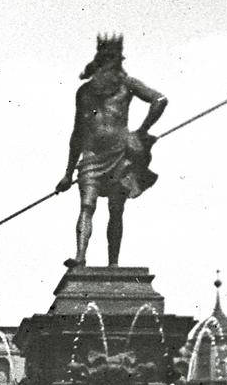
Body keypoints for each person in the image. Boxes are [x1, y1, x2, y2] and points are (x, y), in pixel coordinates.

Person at [55, 33, 166, 269]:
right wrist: (67, 173)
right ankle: (80, 257)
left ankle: (113, 265)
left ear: (118, 62)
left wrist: (140, 131)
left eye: (113, 60)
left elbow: (160, 100)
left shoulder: (128, 86)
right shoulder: (84, 92)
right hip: (91, 156)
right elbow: (77, 133)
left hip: (121, 155)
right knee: (87, 205)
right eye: (105, 60)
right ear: (98, 61)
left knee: (116, 210)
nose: (109, 65)